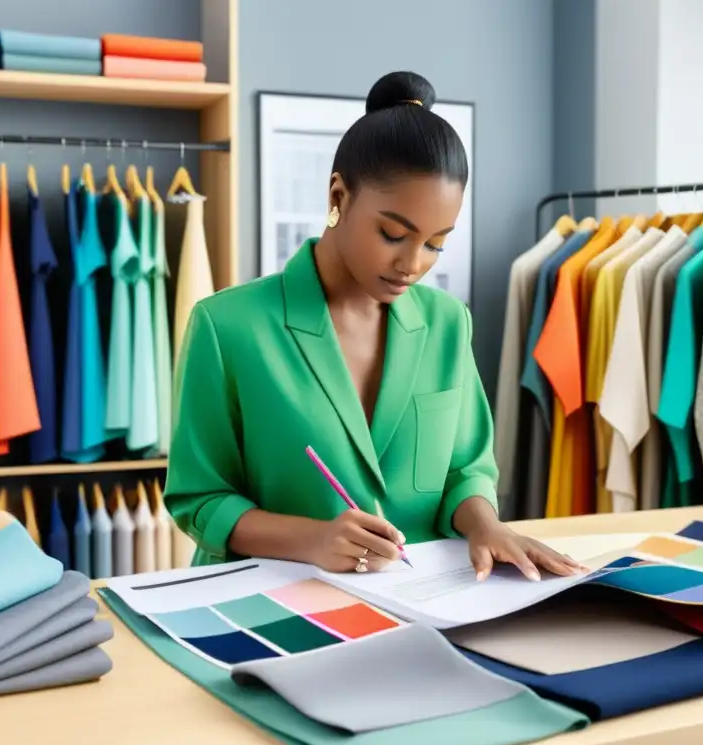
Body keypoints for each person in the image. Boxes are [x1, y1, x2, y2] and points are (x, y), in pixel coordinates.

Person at [165, 71, 586, 581]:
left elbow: (466, 468)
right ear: (338, 197)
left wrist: (484, 524)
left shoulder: (448, 323)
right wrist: (313, 540)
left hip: (423, 601)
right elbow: (200, 498)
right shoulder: (226, 325)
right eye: (393, 234)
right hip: (275, 602)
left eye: (436, 244)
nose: (413, 263)